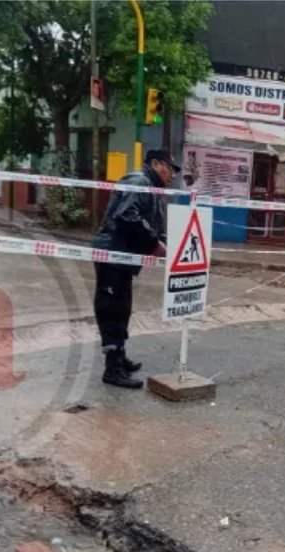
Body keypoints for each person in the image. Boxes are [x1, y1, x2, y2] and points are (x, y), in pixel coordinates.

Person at [92, 148, 178, 389]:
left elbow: (153, 225)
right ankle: (113, 369)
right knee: (111, 309)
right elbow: (126, 215)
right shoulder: (139, 181)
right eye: (170, 168)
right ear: (157, 163)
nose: (172, 174)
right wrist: (153, 243)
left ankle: (119, 356)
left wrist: (165, 243)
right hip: (113, 254)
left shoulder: (152, 188)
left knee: (122, 309)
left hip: (125, 257)